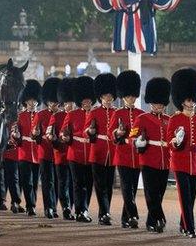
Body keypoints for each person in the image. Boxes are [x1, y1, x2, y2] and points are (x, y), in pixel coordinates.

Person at [167, 68, 196, 239]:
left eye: (193, 100)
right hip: (180, 160)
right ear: (182, 101)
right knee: (185, 196)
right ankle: (190, 228)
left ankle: (183, 224)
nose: (191, 103)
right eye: (189, 100)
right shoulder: (174, 119)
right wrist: (176, 141)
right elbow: (170, 140)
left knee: (190, 196)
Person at [132, 77, 172, 233]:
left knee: (160, 193)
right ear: (151, 103)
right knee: (151, 193)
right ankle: (160, 218)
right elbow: (132, 137)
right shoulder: (141, 119)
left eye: (161, 104)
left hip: (164, 161)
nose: (158, 106)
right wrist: (138, 142)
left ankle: (151, 221)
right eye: (156, 104)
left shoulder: (169, 120)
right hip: (148, 159)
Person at [60, 76, 95, 223]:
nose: (86, 102)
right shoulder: (72, 114)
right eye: (84, 100)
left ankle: (84, 208)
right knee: (78, 184)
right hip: (75, 153)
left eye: (89, 100)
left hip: (92, 154)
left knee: (89, 184)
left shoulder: (96, 113)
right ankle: (81, 210)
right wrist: (65, 137)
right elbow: (63, 131)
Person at [112, 70, 144, 229]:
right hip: (123, 155)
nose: (131, 98)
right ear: (123, 96)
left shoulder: (141, 114)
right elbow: (111, 133)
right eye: (128, 96)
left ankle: (126, 218)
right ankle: (133, 214)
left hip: (137, 156)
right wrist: (117, 133)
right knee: (126, 187)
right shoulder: (117, 113)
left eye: (133, 96)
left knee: (132, 188)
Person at [86, 73, 118, 226]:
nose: (109, 99)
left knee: (109, 184)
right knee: (100, 185)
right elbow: (87, 129)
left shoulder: (116, 113)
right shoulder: (94, 112)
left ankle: (105, 212)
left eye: (111, 96)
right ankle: (104, 212)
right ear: (100, 97)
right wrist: (91, 132)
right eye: (106, 96)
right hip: (97, 152)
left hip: (111, 153)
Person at [16, 79, 42, 216]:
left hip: (37, 151)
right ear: (25, 101)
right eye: (30, 101)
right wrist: (16, 135)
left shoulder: (40, 115)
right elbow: (15, 135)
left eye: (35, 101)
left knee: (35, 181)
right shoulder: (20, 116)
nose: (32, 103)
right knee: (26, 180)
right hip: (24, 151)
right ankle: (30, 205)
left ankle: (32, 203)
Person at [37, 77, 62, 219]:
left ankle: (55, 206)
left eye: (56, 102)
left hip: (59, 153)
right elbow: (35, 134)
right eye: (51, 102)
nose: (53, 104)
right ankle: (48, 207)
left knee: (58, 182)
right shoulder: (41, 115)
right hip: (44, 152)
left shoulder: (62, 115)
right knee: (48, 181)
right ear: (47, 101)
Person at [52, 79, 75, 220]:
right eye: (66, 103)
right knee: (63, 182)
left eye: (70, 103)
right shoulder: (57, 116)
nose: (68, 106)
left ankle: (71, 206)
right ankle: (65, 207)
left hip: (75, 156)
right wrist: (56, 138)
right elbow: (51, 135)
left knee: (74, 184)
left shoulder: (79, 115)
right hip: (60, 154)